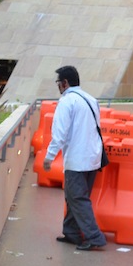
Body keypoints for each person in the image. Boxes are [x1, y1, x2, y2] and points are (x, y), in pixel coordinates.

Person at [44, 65, 108, 252]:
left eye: (58, 82)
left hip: (77, 158)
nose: (58, 86)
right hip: (93, 156)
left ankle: (94, 237)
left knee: (77, 198)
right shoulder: (91, 99)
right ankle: (71, 232)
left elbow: (59, 133)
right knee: (75, 197)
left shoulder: (67, 102)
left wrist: (49, 157)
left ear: (65, 83)